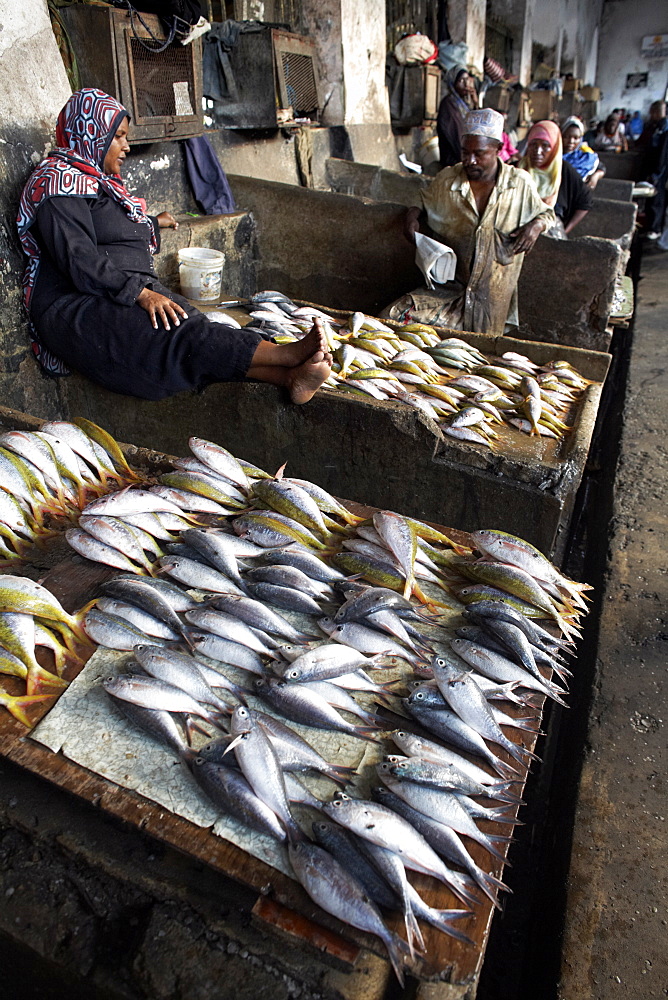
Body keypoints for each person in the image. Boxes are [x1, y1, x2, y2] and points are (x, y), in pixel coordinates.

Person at [17, 89, 331, 403]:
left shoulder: (96, 182)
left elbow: (110, 229)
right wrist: (140, 293)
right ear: (92, 134)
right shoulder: (57, 183)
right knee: (181, 337)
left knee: (194, 322)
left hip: (114, 290)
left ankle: (288, 378)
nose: (126, 146)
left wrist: (154, 224)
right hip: (74, 307)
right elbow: (78, 257)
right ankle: (285, 356)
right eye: (119, 136)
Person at [382, 109, 554, 335]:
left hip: (490, 298)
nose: (470, 160)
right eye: (465, 152)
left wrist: (536, 226)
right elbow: (422, 197)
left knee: (477, 354)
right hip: (449, 290)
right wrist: (412, 215)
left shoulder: (519, 185)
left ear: (498, 150)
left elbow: (547, 214)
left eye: (479, 153)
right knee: (390, 319)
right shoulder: (448, 179)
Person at [436, 65, 477, 169]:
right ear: (452, 83)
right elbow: (456, 137)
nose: (465, 84)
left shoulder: (463, 105)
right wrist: (466, 160)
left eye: (467, 80)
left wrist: (476, 103)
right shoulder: (449, 104)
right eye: (461, 81)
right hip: (453, 161)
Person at [561, 116, 605, 189]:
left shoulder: (585, 157)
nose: (571, 141)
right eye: (566, 137)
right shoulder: (553, 155)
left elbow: (602, 168)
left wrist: (596, 176)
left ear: (580, 139)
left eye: (576, 138)